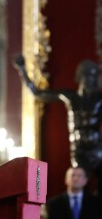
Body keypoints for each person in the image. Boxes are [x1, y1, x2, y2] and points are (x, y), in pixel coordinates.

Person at [13, 55, 102, 194]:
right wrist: (22, 70)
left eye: (93, 77)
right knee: (79, 188)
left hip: (97, 147)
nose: (90, 81)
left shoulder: (99, 99)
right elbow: (38, 93)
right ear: (80, 78)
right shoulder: (70, 97)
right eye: (87, 77)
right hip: (79, 148)